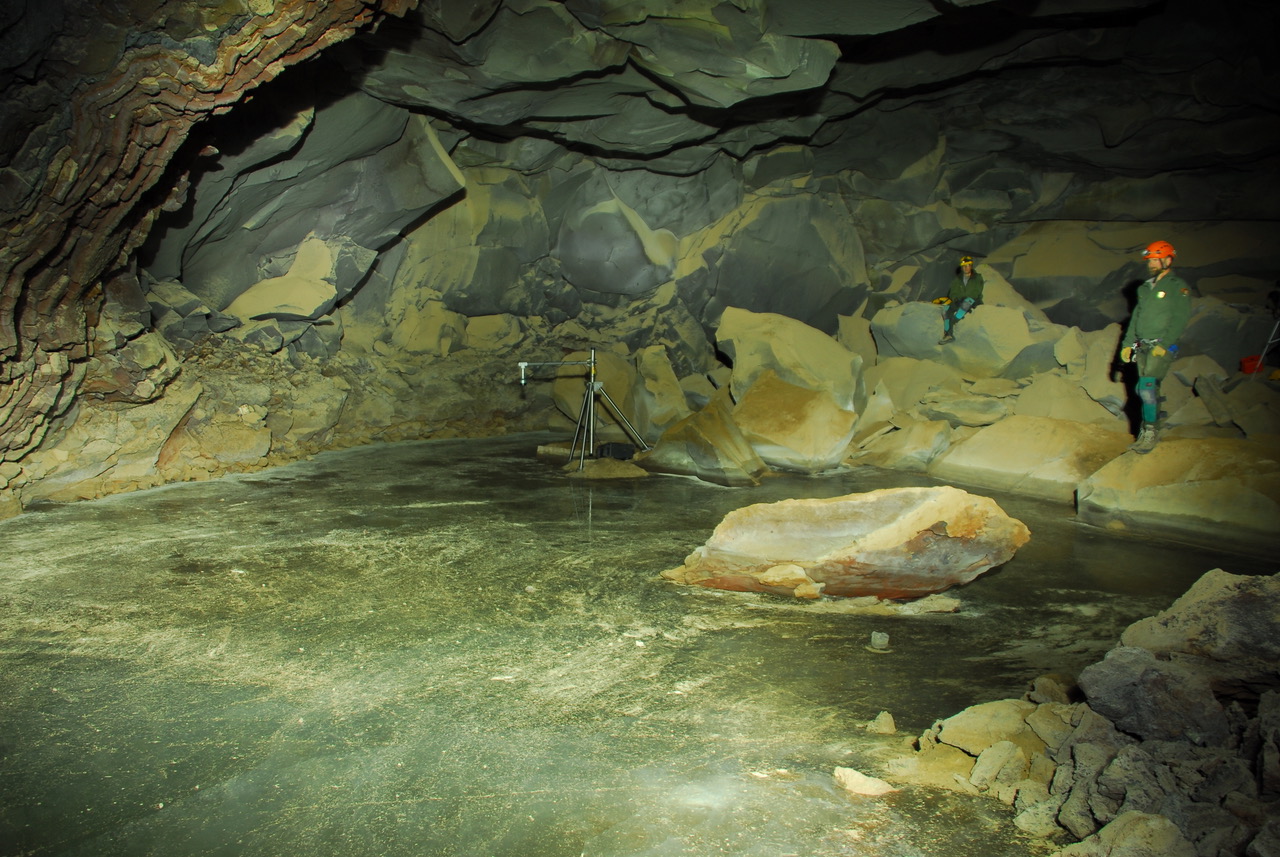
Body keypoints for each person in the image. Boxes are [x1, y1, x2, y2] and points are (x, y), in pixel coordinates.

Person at [1119, 239, 1193, 454]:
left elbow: (1180, 319)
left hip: (1160, 346)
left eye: (1154, 260)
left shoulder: (1177, 287)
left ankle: (1151, 432)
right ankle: (1145, 430)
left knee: (1147, 388)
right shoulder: (1145, 288)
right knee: (1141, 389)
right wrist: (1127, 344)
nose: (1150, 264)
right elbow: (1136, 318)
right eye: (1149, 260)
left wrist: (1166, 343)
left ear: (1168, 259)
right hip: (1142, 346)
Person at [937, 255, 984, 343]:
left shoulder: (977, 278)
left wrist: (964, 298)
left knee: (966, 303)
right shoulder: (957, 279)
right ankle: (948, 334)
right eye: (964, 266)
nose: (966, 268)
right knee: (946, 309)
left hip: (973, 301)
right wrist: (956, 299)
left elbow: (976, 291)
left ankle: (955, 320)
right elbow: (953, 292)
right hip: (960, 301)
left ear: (971, 266)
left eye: (968, 266)